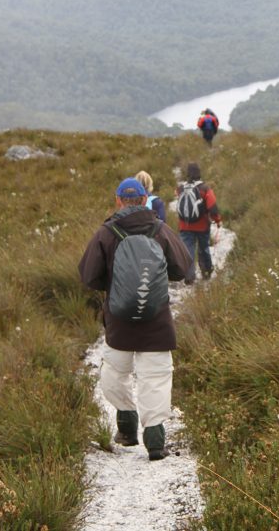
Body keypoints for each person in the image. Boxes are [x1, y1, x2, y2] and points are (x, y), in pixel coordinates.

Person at [78, 178, 193, 460]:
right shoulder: (161, 230)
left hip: (119, 322)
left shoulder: (106, 233)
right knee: (154, 377)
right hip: (157, 322)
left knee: (115, 374)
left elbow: (89, 277)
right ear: (145, 200)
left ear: (118, 200)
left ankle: (127, 428)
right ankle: (155, 441)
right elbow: (182, 269)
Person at [176, 162, 222, 280]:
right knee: (204, 249)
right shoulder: (205, 188)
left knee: (187, 251)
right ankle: (206, 273)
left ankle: (189, 277)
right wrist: (218, 220)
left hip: (185, 226)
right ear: (199, 173)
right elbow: (212, 207)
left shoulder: (181, 188)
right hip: (202, 226)